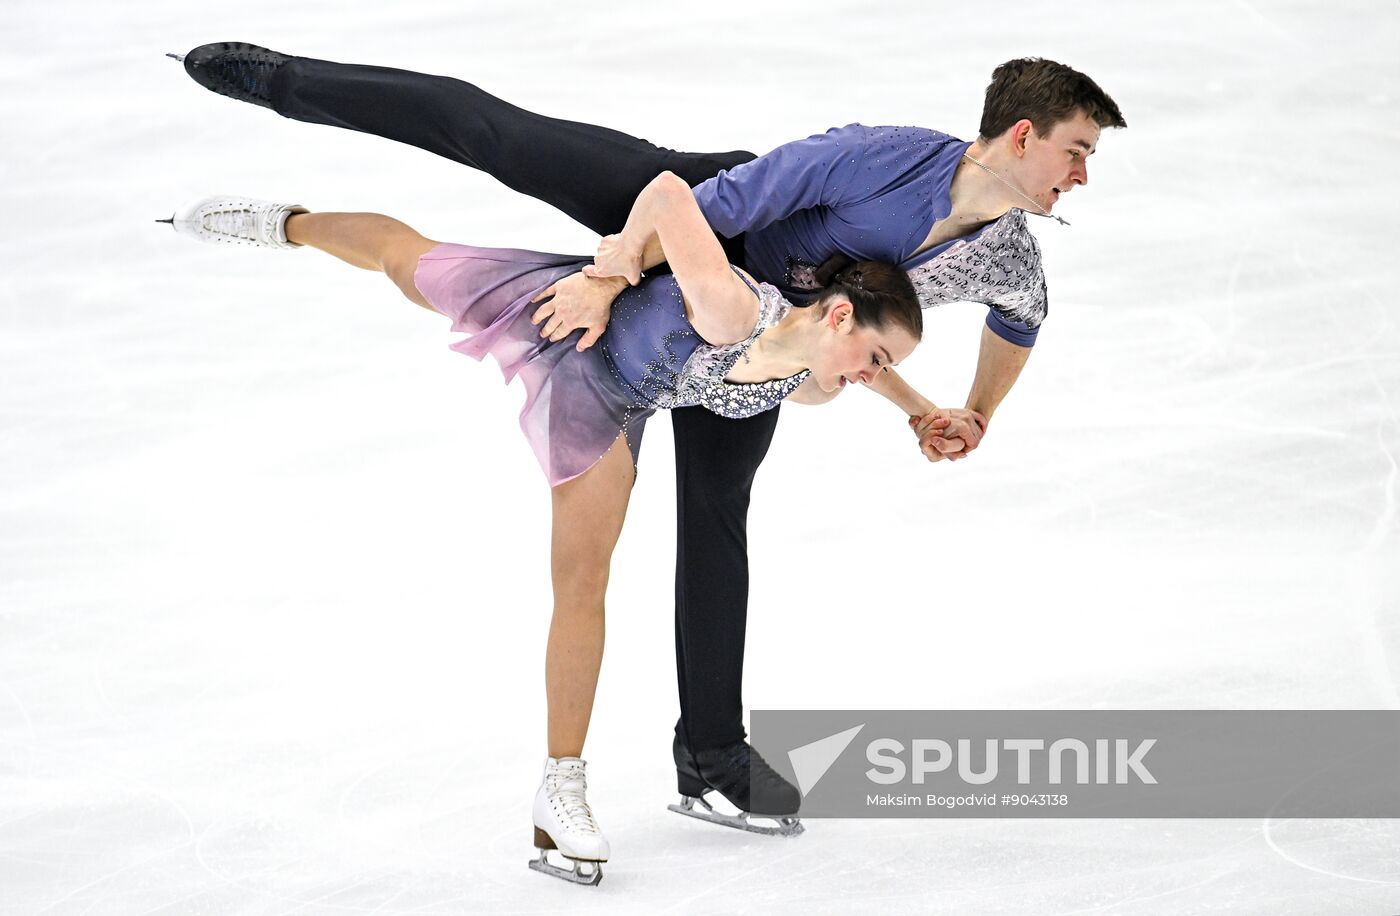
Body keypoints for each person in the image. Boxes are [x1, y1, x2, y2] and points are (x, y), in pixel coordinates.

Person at [171, 44, 1126, 832]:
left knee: (718, 512)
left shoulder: (1005, 248)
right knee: (497, 133)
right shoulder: (879, 157)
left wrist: (965, 411)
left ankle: (711, 761)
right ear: (1022, 133)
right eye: (1077, 151)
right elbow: (715, 208)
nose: (1082, 174)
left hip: (765, 338)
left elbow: (1020, 318)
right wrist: (609, 272)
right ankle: (278, 81)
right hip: (696, 231)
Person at [160, 172, 924, 884]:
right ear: (838, 312)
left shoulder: (813, 383)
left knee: (584, 578)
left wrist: (922, 411)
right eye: (874, 355)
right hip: (571, 324)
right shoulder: (730, 307)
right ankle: (286, 224)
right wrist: (610, 272)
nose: (870, 374)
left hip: (611, 406)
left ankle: (559, 788)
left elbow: (859, 371)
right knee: (407, 263)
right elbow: (664, 193)